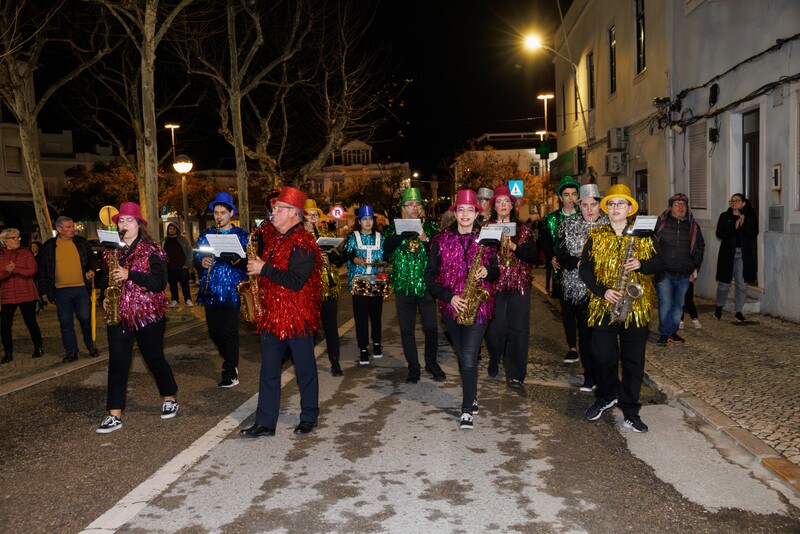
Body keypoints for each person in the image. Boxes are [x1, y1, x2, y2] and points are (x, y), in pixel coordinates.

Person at [579, 184, 664, 433]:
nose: (616, 208)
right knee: (602, 357)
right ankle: (606, 396)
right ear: (608, 209)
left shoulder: (644, 234)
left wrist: (642, 264)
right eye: (612, 204)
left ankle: (630, 411)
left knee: (633, 361)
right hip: (604, 304)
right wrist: (602, 291)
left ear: (629, 208)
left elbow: (662, 261)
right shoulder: (596, 236)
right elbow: (584, 269)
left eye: (621, 203)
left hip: (635, 306)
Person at [240, 186, 322, 438]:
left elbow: (296, 280)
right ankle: (265, 422)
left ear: (293, 214)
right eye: (273, 208)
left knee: (305, 368)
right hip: (272, 315)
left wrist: (263, 269)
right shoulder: (275, 241)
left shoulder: (305, 243)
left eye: (278, 209)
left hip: (296, 315)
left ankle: (309, 416)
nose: (273, 213)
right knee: (269, 370)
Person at [96, 202, 178, 433]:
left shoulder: (153, 250)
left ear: (139, 224)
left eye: (129, 220)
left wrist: (129, 274)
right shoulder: (111, 252)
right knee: (117, 364)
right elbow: (105, 281)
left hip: (148, 314)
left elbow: (159, 283)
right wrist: (104, 296)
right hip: (119, 313)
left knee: (154, 359)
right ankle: (114, 414)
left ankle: (169, 397)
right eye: (121, 221)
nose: (124, 224)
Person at [425, 189, 500, 430]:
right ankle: (473, 394)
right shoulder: (440, 241)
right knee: (463, 355)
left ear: (476, 213)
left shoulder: (486, 238)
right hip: (451, 308)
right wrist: (450, 298)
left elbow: (496, 271)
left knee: (468, 357)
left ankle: (466, 409)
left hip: (479, 308)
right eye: (461, 209)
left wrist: (487, 272)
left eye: (470, 209)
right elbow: (430, 277)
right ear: (454, 212)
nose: (465, 214)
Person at [383, 187, 445, 383]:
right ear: (403, 207)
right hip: (403, 286)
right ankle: (413, 367)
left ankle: (431, 363)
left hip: (426, 286)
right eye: (410, 205)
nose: (414, 208)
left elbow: (439, 255)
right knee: (407, 330)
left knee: (431, 327)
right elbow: (386, 251)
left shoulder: (432, 228)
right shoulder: (394, 228)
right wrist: (403, 233)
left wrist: (425, 238)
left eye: (417, 204)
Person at [555, 184, 608, 392]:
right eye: (584, 205)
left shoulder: (608, 226)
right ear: (579, 206)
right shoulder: (567, 225)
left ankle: (604, 376)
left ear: (599, 206)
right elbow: (560, 253)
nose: (589, 210)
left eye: (593, 205)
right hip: (578, 288)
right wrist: (578, 264)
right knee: (585, 334)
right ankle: (589, 376)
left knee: (602, 335)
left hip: (603, 290)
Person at [484, 185, 537, 387]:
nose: (503, 204)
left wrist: (514, 246)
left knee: (519, 330)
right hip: (494, 284)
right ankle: (495, 355)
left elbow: (532, 256)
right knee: (495, 329)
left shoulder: (523, 228)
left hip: (519, 285)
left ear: (512, 205)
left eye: (506, 201)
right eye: (499, 201)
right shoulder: (487, 228)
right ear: (494, 206)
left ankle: (516, 374)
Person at [195, 192, 250, 388]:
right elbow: (197, 257)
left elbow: (248, 262)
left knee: (229, 330)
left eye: (223, 213)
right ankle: (229, 357)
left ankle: (230, 369)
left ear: (231, 213)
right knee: (214, 330)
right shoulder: (206, 235)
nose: (219, 216)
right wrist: (202, 261)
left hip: (232, 290)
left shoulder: (242, 235)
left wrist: (238, 259)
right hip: (211, 289)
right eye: (216, 213)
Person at [37, 216, 99, 363]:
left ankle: (90, 345)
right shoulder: (49, 246)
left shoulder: (81, 242)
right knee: (65, 322)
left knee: (85, 319)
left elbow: (92, 259)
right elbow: (43, 271)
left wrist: (91, 269)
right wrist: (44, 292)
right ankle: (71, 351)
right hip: (61, 291)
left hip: (81, 289)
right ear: (59, 229)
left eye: (73, 226)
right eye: (69, 227)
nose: (73, 229)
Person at [653, 193, 705, 346]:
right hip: (665, 271)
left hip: (684, 272)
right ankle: (663, 333)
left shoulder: (693, 227)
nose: (681, 207)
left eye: (683, 205)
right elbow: (649, 242)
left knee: (678, 305)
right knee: (665, 303)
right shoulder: (660, 223)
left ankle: (672, 332)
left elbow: (700, 247)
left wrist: (694, 266)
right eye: (677, 204)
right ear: (670, 208)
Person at [304, 198, 346, 377]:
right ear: (303, 217)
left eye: (316, 215)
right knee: (309, 329)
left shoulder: (325, 233)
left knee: (330, 327)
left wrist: (330, 254)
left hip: (328, 287)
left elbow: (339, 260)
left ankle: (335, 362)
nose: (313, 218)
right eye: (310, 215)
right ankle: (307, 364)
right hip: (309, 290)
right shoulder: (299, 236)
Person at [542, 176, 581, 362]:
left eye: (574, 194)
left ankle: (587, 345)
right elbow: (545, 242)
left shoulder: (585, 216)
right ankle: (572, 347)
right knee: (567, 311)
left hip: (583, 271)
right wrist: (552, 257)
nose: (571, 198)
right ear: (560, 197)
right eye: (567, 195)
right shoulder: (551, 219)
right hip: (561, 271)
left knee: (584, 311)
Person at [344, 205, 385, 366]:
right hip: (359, 282)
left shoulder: (380, 237)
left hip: (376, 281)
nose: (368, 222)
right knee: (360, 317)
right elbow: (350, 254)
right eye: (364, 219)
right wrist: (357, 261)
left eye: (370, 219)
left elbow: (385, 255)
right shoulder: (353, 237)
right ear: (359, 222)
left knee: (376, 316)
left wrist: (382, 266)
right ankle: (363, 348)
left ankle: (376, 344)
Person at [0, 228, 44, 364]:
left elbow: (32, 270)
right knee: (5, 325)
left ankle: (38, 347)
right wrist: (7, 273)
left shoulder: (25, 252)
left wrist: (15, 269)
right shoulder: (0, 255)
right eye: (15, 238)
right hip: (7, 295)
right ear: (5, 241)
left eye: (18, 237)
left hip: (26, 294)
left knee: (31, 322)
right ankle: (8, 353)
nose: (18, 239)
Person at [714, 193, 758, 322]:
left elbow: (753, 233)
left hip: (743, 255)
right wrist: (735, 226)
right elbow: (720, 234)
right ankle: (719, 307)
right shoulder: (724, 216)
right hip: (727, 254)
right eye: (732, 201)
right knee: (724, 284)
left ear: (744, 203)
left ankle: (738, 311)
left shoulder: (749, 216)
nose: (734, 203)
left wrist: (743, 226)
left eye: (737, 200)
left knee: (742, 284)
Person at [162, 223, 194, 308]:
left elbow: (189, 251)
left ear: (176, 230)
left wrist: (187, 264)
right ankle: (175, 300)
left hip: (182, 267)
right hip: (170, 267)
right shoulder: (165, 241)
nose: (172, 230)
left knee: (185, 284)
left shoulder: (183, 240)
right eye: (170, 229)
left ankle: (188, 299)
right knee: (172, 285)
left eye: (173, 229)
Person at [29, 241, 46, 312]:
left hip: (39, 277)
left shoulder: (41, 257)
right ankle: (41, 304)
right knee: (35, 292)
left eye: (35, 246)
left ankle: (41, 304)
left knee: (39, 291)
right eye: (32, 246)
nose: (33, 248)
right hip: (33, 277)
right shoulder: (30, 256)